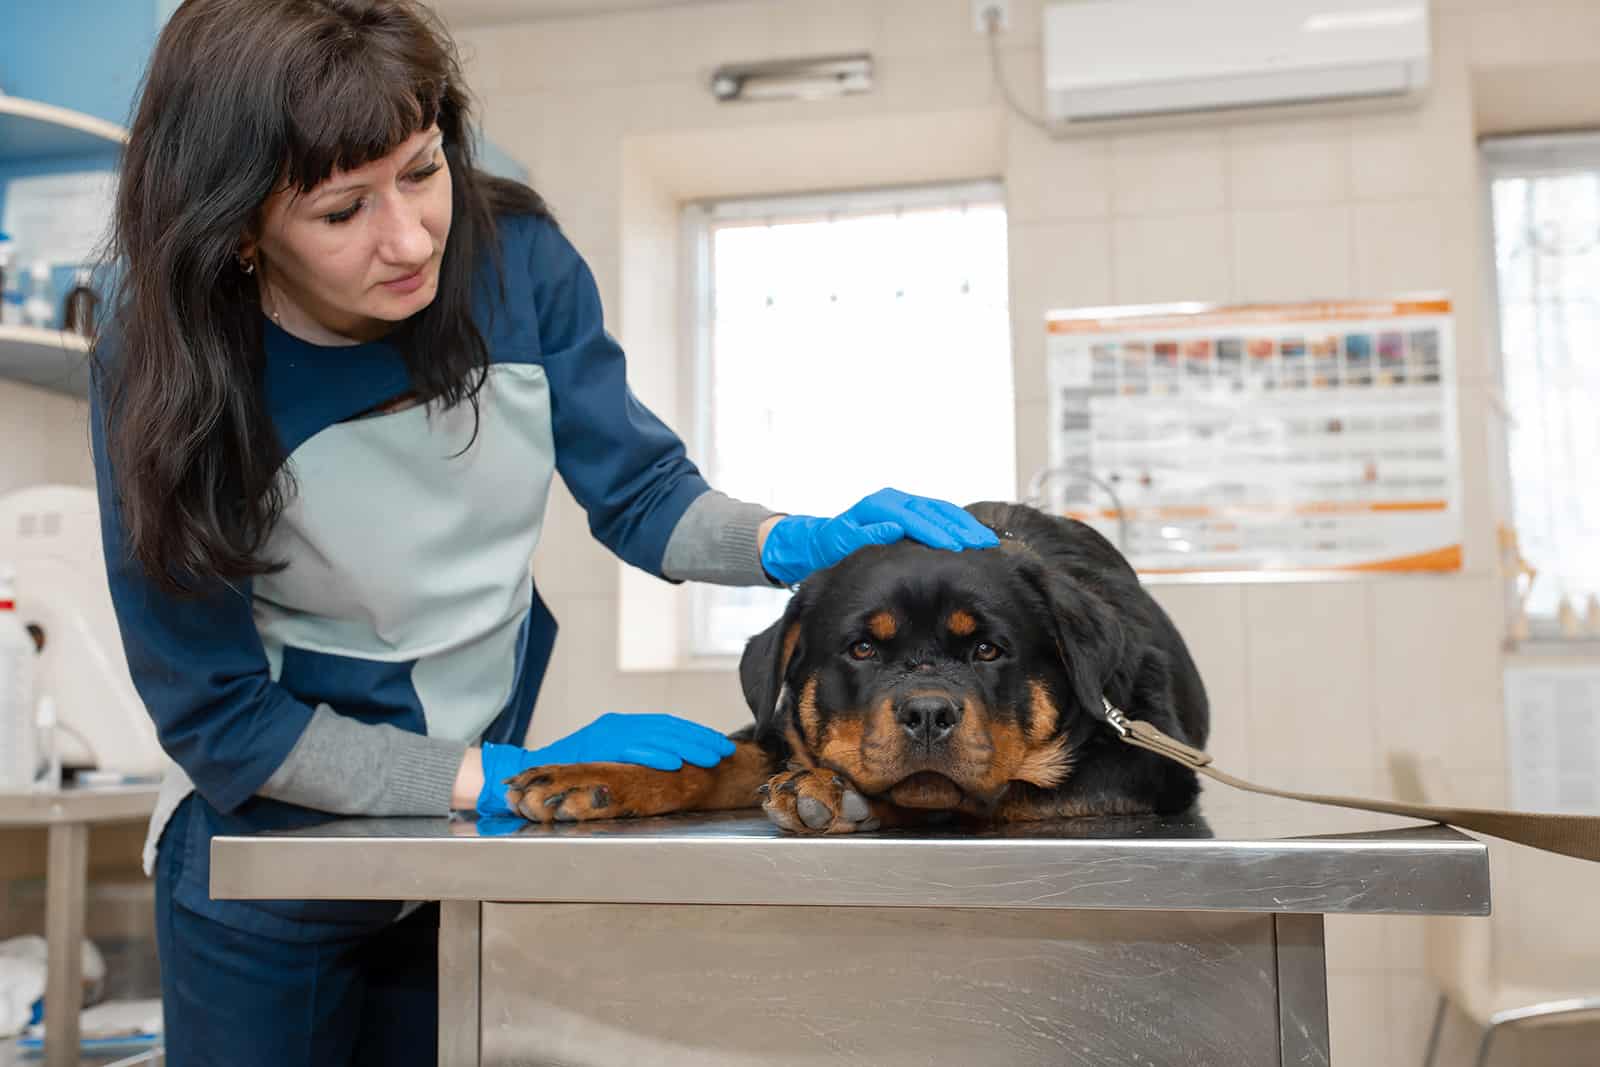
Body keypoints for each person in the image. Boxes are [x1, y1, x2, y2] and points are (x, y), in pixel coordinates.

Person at [89, 1, 999, 1063]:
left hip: (448, 847)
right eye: (341, 211)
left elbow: (643, 493)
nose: (410, 236)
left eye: (422, 170)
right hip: (265, 862)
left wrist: (786, 540)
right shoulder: (166, 372)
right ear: (238, 225)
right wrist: (497, 776)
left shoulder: (514, 260)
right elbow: (222, 716)